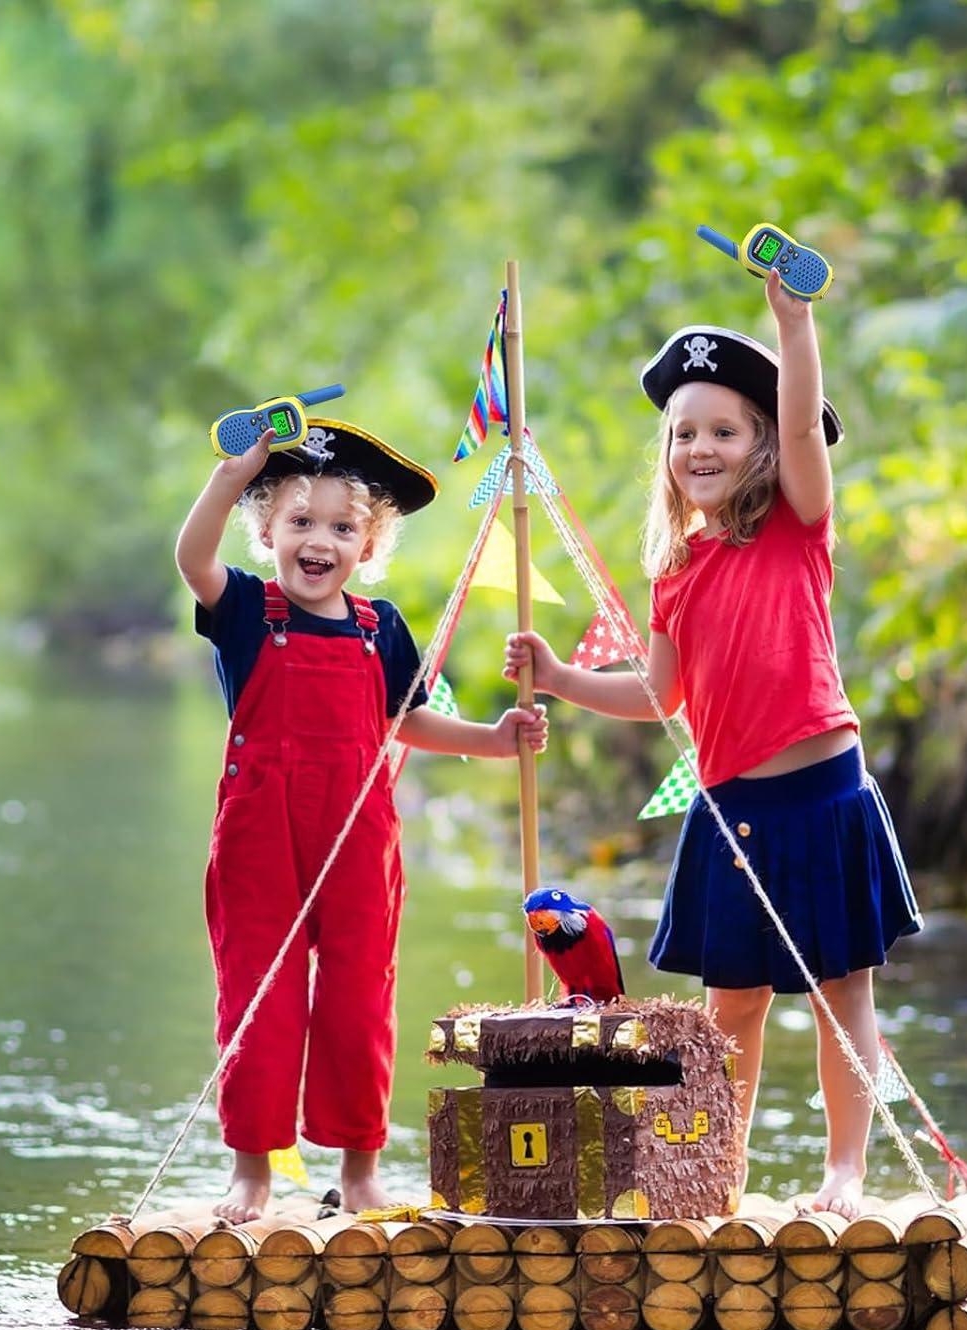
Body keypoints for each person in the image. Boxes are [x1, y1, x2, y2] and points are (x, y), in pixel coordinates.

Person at [504, 271, 920, 1217]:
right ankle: (715, 1178)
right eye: (685, 432)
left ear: (764, 445)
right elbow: (660, 694)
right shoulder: (674, 570)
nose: (700, 447)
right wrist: (562, 679)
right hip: (730, 809)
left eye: (724, 430)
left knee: (838, 996)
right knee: (730, 1007)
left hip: (820, 792)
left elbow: (809, 426)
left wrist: (794, 321)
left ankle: (844, 1173)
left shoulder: (793, 525)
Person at [178, 418, 547, 1222]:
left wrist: (491, 740)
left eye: (343, 528)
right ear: (267, 527)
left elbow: (407, 720)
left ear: (369, 544)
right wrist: (230, 475)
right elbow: (191, 559)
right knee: (259, 998)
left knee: (357, 999)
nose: (320, 542)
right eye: (301, 522)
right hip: (259, 835)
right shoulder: (246, 608)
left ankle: (361, 1168)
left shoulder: (381, 629)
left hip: (357, 836)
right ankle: (254, 1173)